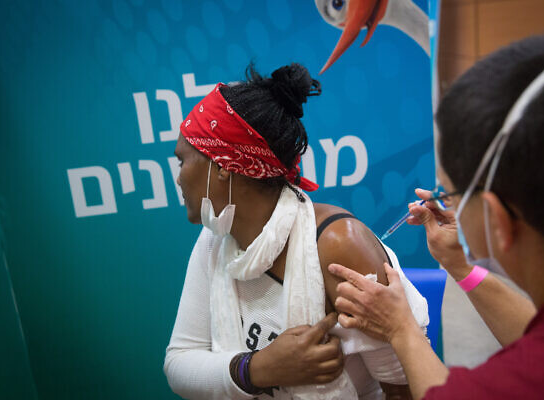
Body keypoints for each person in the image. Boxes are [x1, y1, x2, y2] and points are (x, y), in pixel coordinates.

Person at [328, 33, 544, 399]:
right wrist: (460, 266)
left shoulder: (514, 387)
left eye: (451, 194)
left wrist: (402, 330)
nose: (448, 205)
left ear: (498, 219)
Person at [163, 63, 429, 399]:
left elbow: (406, 390)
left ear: (222, 167)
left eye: (182, 161)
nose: (178, 177)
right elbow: (179, 363)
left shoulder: (338, 245)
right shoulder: (216, 238)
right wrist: (259, 369)